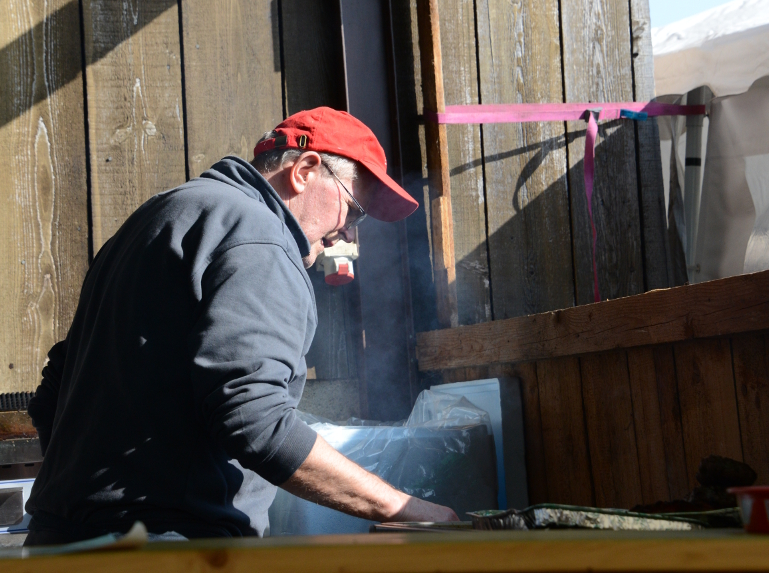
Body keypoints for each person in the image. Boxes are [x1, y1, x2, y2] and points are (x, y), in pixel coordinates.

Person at [23, 107, 457, 544]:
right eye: (355, 211)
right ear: (305, 170)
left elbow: (53, 391)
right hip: (166, 548)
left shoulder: (155, 218)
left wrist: (86, 497)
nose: (348, 234)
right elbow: (254, 418)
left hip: (56, 541)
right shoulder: (260, 239)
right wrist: (403, 509)